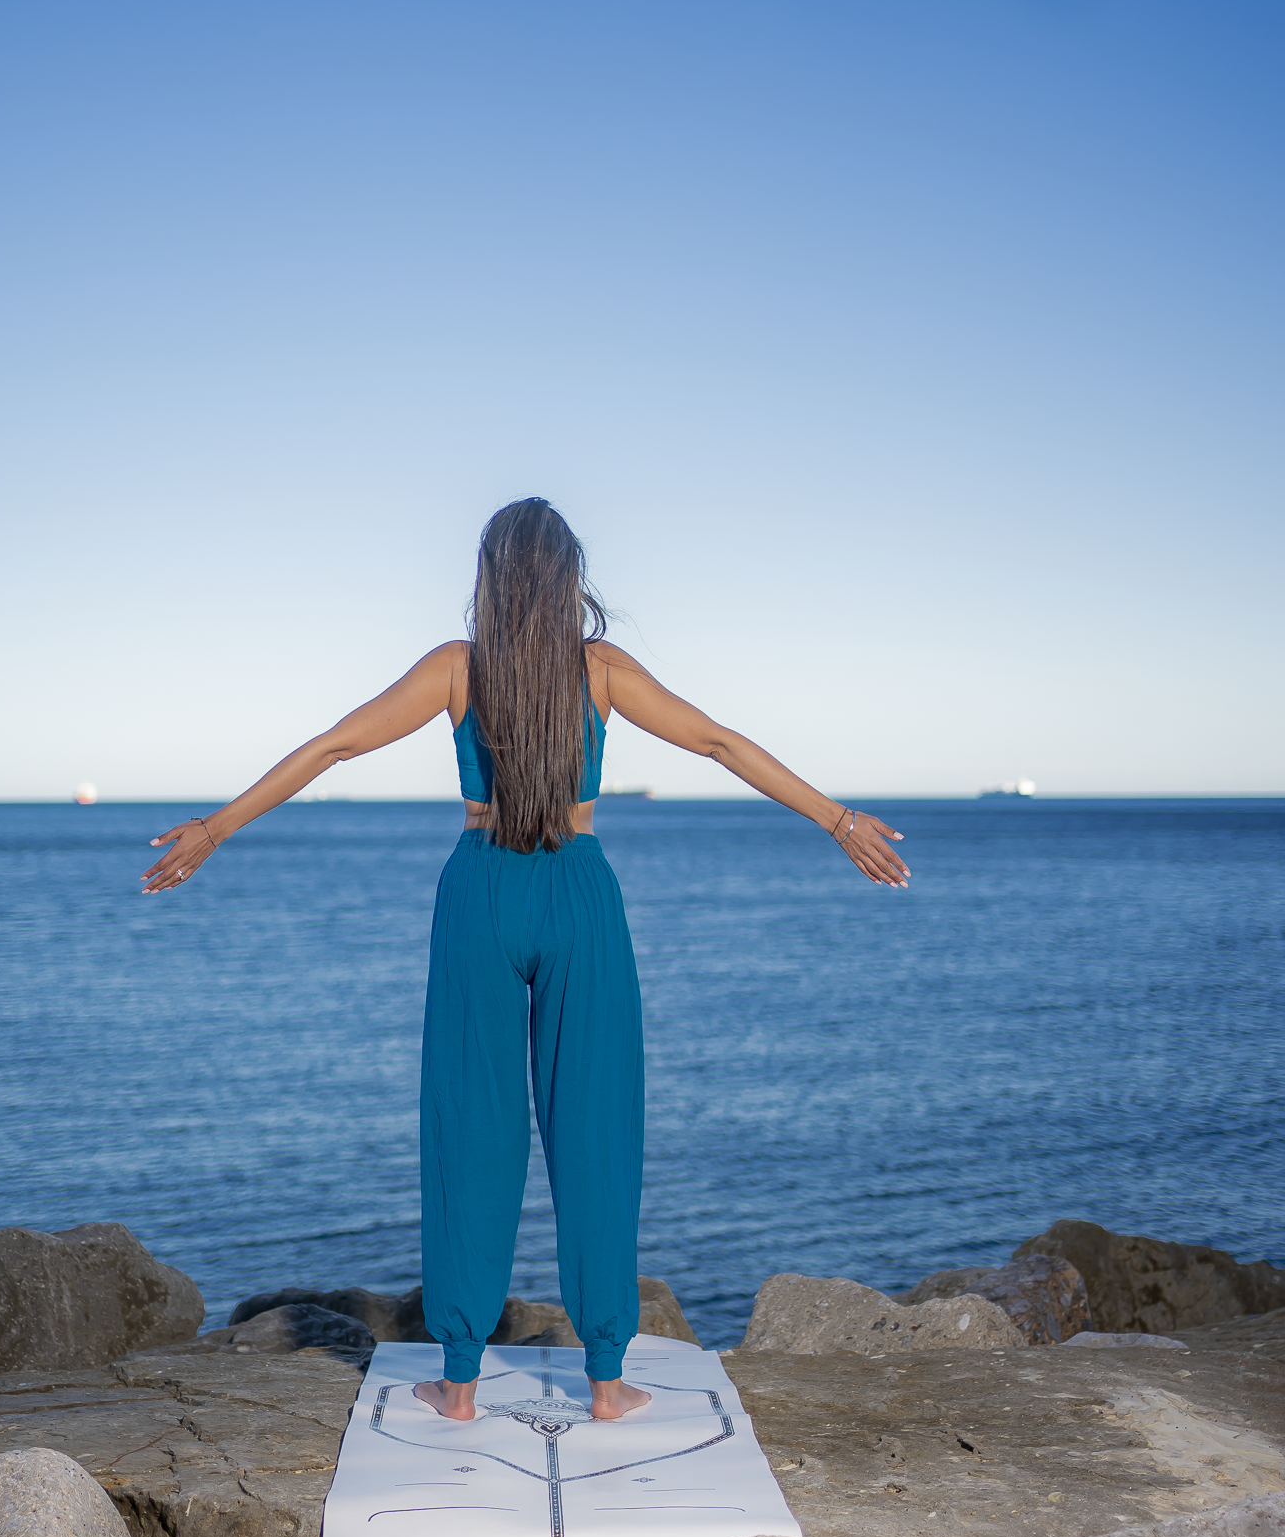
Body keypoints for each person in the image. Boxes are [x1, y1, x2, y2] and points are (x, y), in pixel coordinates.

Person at [144, 498, 909, 1423]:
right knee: (595, 1131)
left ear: (491, 578)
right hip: (579, 896)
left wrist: (217, 828)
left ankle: (458, 1382)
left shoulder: (455, 671)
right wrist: (839, 821)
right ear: (566, 578)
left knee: (473, 1130)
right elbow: (716, 741)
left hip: (480, 894)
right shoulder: (603, 671)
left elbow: (338, 744)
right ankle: (607, 1381)